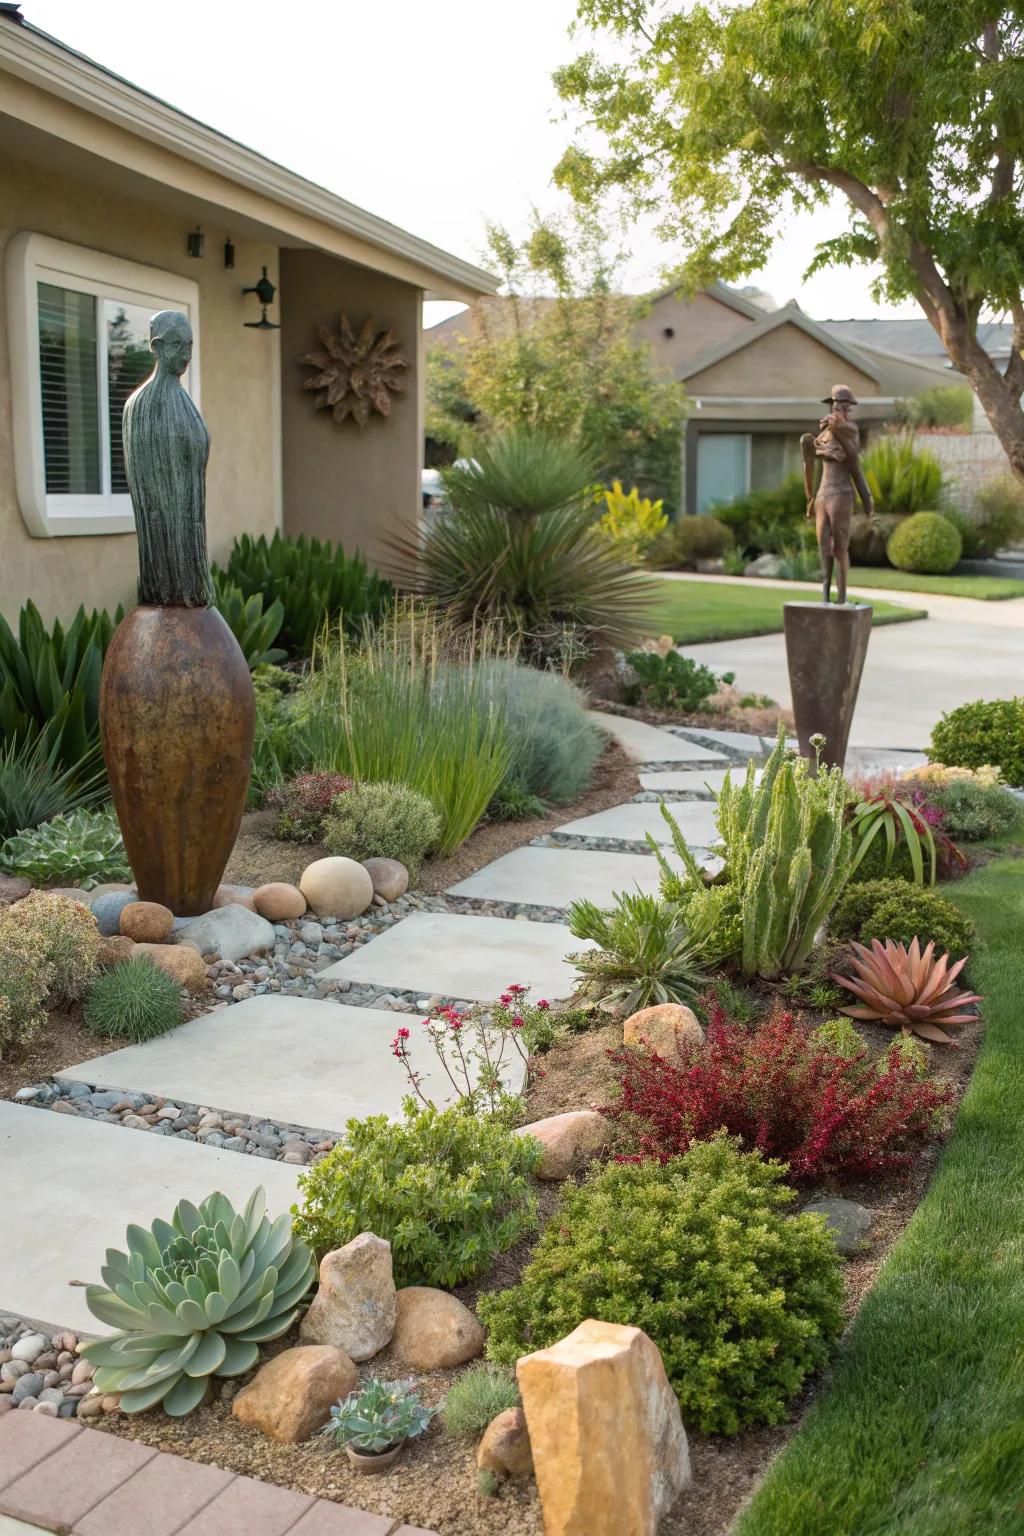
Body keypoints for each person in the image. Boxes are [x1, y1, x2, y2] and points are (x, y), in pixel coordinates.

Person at [800, 383, 874, 604]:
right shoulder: (822, 436)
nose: (837, 407)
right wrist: (810, 497)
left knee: (840, 548)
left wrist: (867, 499)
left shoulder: (850, 430)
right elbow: (809, 463)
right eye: (834, 402)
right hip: (823, 493)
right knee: (823, 546)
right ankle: (825, 596)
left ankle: (842, 598)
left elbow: (854, 462)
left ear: (849, 407)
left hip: (841, 493)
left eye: (842, 403)